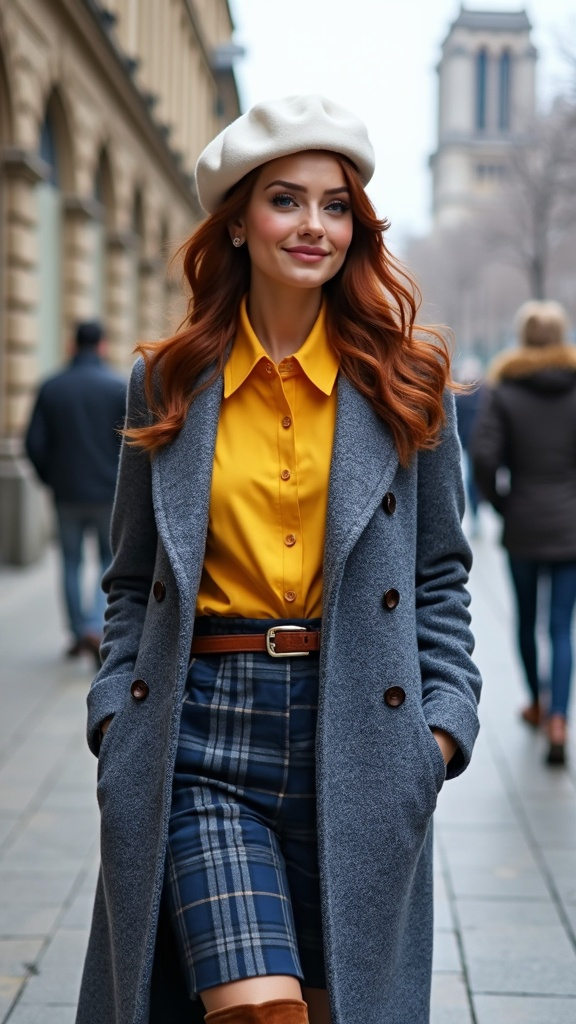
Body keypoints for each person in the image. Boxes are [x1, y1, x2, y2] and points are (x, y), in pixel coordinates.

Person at [76, 96, 482, 1024]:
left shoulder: (407, 383)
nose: (314, 226)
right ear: (237, 220)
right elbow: (133, 580)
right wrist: (117, 726)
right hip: (202, 732)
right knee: (260, 1011)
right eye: (286, 200)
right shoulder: (170, 380)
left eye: (336, 205)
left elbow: (439, 578)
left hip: (363, 734)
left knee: (339, 1005)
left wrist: (441, 731)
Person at [471, 300, 576, 766]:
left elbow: (483, 457)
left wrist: (503, 503)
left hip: (524, 524)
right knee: (561, 626)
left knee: (527, 621)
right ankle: (559, 718)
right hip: (571, 526)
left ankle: (536, 700)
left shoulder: (505, 389)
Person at [25, 320, 126, 665]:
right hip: (109, 493)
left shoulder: (52, 387)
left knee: (69, 562)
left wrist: (51, 479)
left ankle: (77, 631)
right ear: (102, 346)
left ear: (71, 346)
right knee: (108, 563)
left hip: (66, 493)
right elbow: (134, 443)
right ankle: (96, 627)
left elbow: (32, 443)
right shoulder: (117, 387)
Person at [454, 356, 485, 536]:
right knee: (472, 480)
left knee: (471, 480)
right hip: (473, 443)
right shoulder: (484, 394)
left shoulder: (461, 397)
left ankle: (475, 512)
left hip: (468, 443)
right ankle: (476, 511)